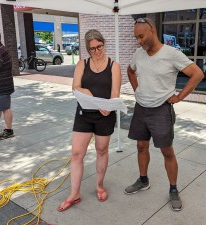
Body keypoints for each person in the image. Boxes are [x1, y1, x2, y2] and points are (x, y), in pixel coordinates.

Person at [125, 18, 204, 211]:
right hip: (141, 108)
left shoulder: (172, 54)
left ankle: (174, 189)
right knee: (141, 146)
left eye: (141, 36)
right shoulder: (138, 53)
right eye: (136, 37)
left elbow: (197, 74)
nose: (139, 41)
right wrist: (137, 90)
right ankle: (143, 181)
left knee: (167, 152)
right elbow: (130, 71)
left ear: (151, 30)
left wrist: (179, 97)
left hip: (161, 109)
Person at [57, 29, 121, 212]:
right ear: (87, 49)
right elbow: (75, 87)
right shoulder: (82, 64)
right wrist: (92, 97)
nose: (96, 51)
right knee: (77, 153)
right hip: (84, 114)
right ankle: (74, 194)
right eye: (92, 49)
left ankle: (100, 186)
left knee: (101, 150)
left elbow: (115, 93)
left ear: (103, 43)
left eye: (99, 46)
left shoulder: (113, 65)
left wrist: (108, 106)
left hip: (105, 115)